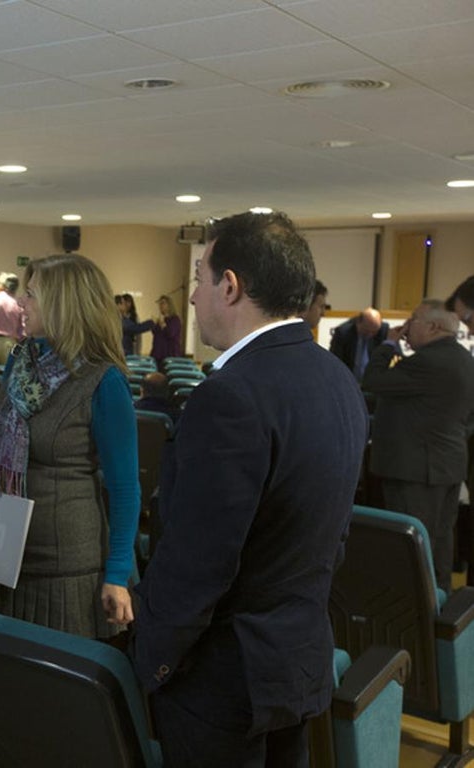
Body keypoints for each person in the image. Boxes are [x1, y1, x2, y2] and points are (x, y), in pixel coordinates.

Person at [133, 212, 368, 767]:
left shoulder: (231, 395)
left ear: (230, 286)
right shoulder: (336, 376)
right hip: (297, 657)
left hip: (224, 676)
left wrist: (153, 658)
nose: (191, 297)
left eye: (199, 278)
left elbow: (199, 559)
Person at [0, 253, 140, 639]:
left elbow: (124, 489)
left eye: (32, 294)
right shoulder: (21, 361)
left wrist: (118, 574)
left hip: (66, 566)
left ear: (63, 304)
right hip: (5, 553)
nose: (21, 303)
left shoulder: (103, 381)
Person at [362, 299, 474, 587]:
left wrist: (388, 344)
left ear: (433, 326)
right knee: (440, 539)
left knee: (413, 544)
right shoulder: (463, 359)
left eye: (413, 319)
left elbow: (373, 379)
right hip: (446, 465)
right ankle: (439, 606)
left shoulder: (427, 362)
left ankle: (414, 612)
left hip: (416, 470)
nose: (406, 326)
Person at [330, 306, 389, 380]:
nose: (370, 335)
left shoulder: (383, 330)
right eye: (366, 331)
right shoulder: (343, 333)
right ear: (358, 323)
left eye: (374, 332)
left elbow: (395, 354)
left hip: (373, 382)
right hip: (349, 380)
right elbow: (335, 362)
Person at [149, 294, 183, 363]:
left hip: (170, 355)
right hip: (157, 355)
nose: (160, 306)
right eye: (159, 304)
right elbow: (155, 333)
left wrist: (162, 324)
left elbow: (170, 333)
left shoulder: (175, 319)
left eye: (163, 303)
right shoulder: (161, 319)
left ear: (169, 305)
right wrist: (154, 324)